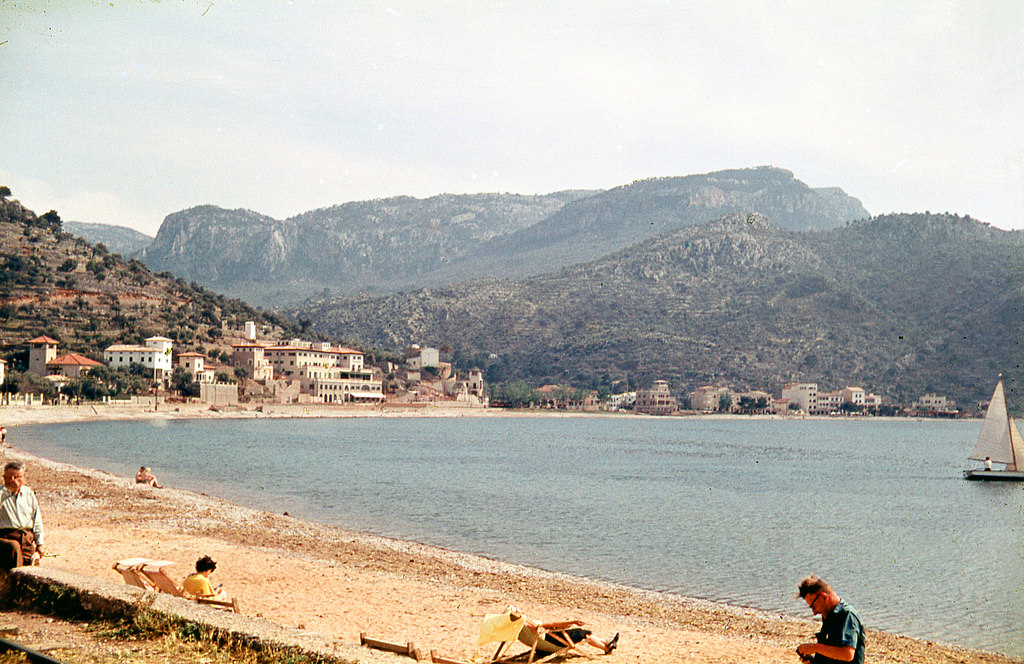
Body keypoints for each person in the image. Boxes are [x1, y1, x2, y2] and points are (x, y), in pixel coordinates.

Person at [480, 606, 618, 655]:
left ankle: (607, 642)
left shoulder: (518, 626)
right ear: (518, 616)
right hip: (553, 641)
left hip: (546, 640)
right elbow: (550, 625)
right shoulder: (527, 624)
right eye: (518, 611)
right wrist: (571, 622)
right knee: (584, 634)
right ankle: (605, 647)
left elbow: (549, 626)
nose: (521, 610)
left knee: (581, 633)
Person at [795, 575, 865, 664]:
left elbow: (848, 654)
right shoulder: (828, 616)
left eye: (814, 607)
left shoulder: (847, 615)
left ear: (824, 597)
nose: (814, 612)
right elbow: (830, 653)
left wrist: (814, 647)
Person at [0, 461, 45, 571]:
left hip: (26, 538)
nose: (14, 480)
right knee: (14, 548)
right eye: (10, 477)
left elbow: (36, 519)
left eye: (18, 477)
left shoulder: (28, 494)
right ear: (4, 477)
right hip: (6, 538)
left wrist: (40, 544)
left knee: (32, 567)